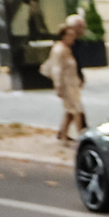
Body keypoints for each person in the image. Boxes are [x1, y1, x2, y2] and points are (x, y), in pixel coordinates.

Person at [43, 12, 87, 143]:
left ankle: (63, 134)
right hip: (66, 84)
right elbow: (56, 69)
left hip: (72, 84)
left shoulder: (68, 49)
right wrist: (58, 85)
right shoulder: (59, 50)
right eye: (71, 36)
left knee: (70, 110)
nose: (73, 39)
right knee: (77, 110)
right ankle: (82, 136)